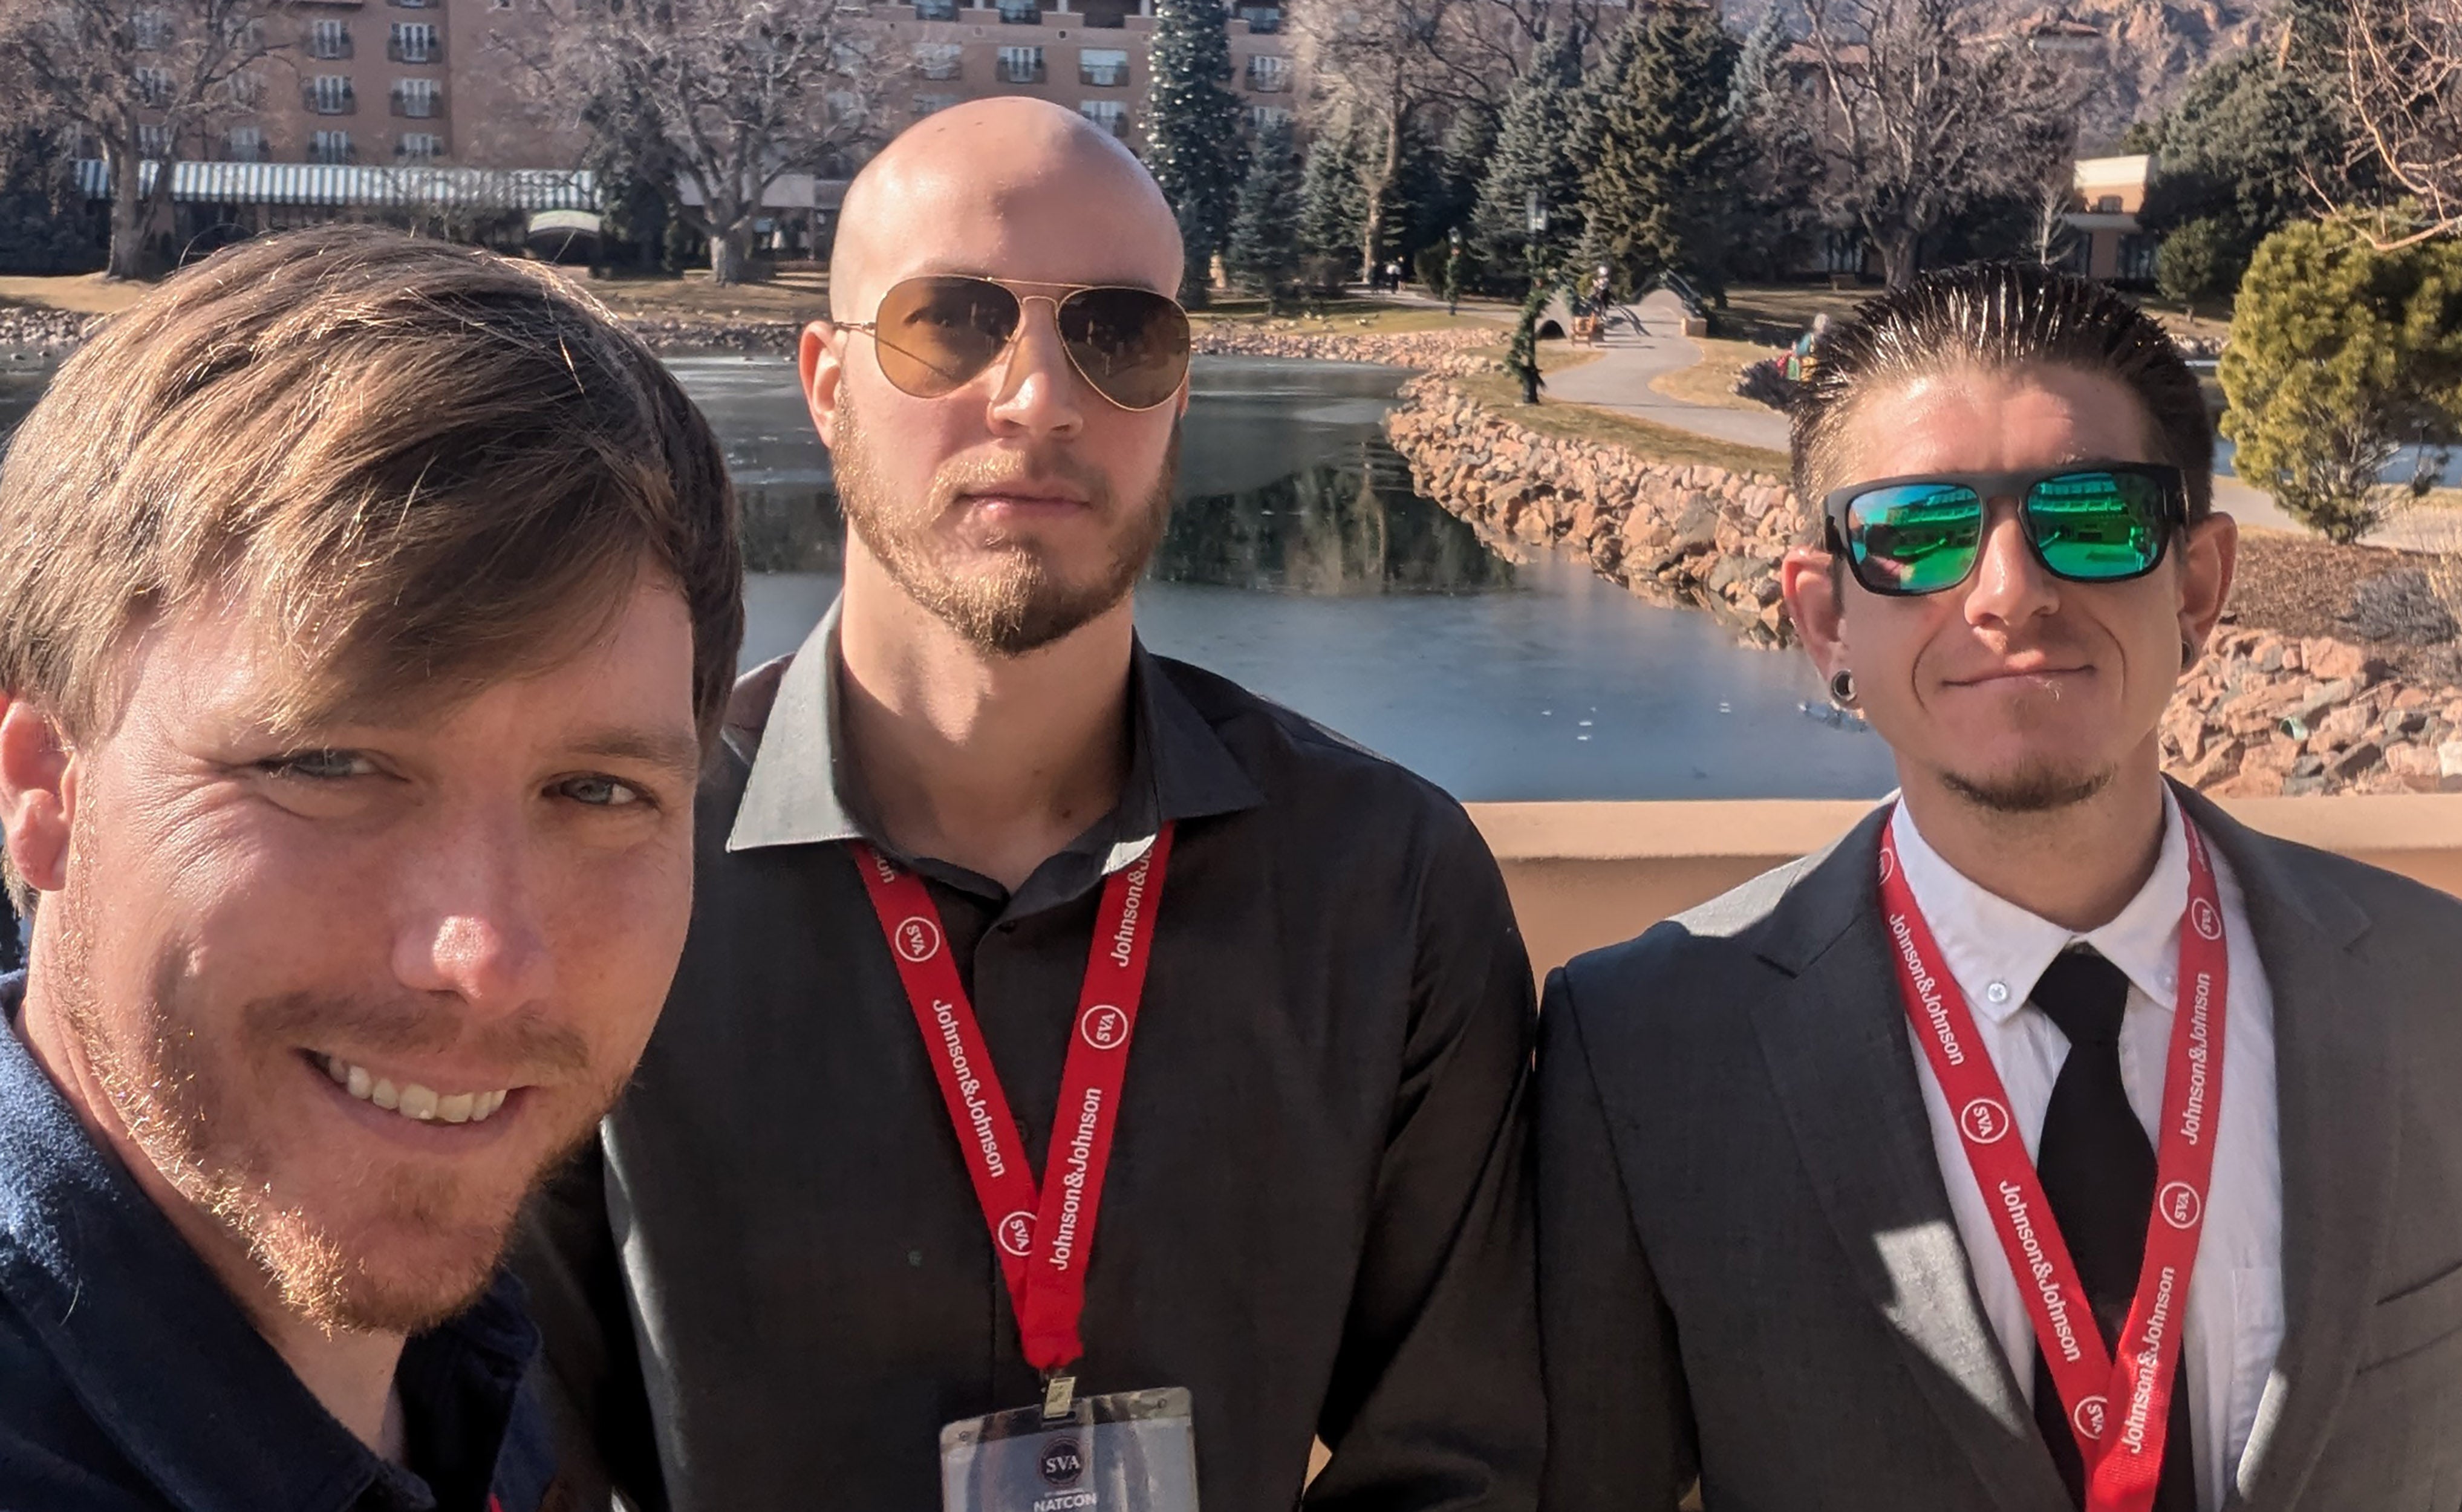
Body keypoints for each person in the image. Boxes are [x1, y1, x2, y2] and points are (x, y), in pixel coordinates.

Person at [521, 97, 1541, 1511]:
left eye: (1119, 334)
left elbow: (1461, 1455)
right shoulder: (607, 856)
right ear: (825, 384)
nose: (1038, 396)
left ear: (1178, 391)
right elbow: (516, 1449)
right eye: (952, 321)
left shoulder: (1388, 885)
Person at [1537, 263, 2462, 1512]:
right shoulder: (1646, 1050)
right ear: (1827, 618)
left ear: (2199, 585)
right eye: (1918, 531)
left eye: (2092, 515)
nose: (2010, 592)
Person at [0, 226, 744, 1511]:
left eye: (598, 790)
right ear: (42, 787)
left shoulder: (456, 1381)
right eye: (332, 765)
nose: (487, 955)